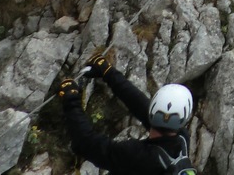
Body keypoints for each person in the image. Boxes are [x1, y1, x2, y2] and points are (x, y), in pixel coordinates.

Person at [56, 54, 193, 174]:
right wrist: (108, 73)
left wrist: (71, 100)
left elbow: (86, 143)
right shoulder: (182, 140)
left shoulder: (138, 156)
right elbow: (139, 105)